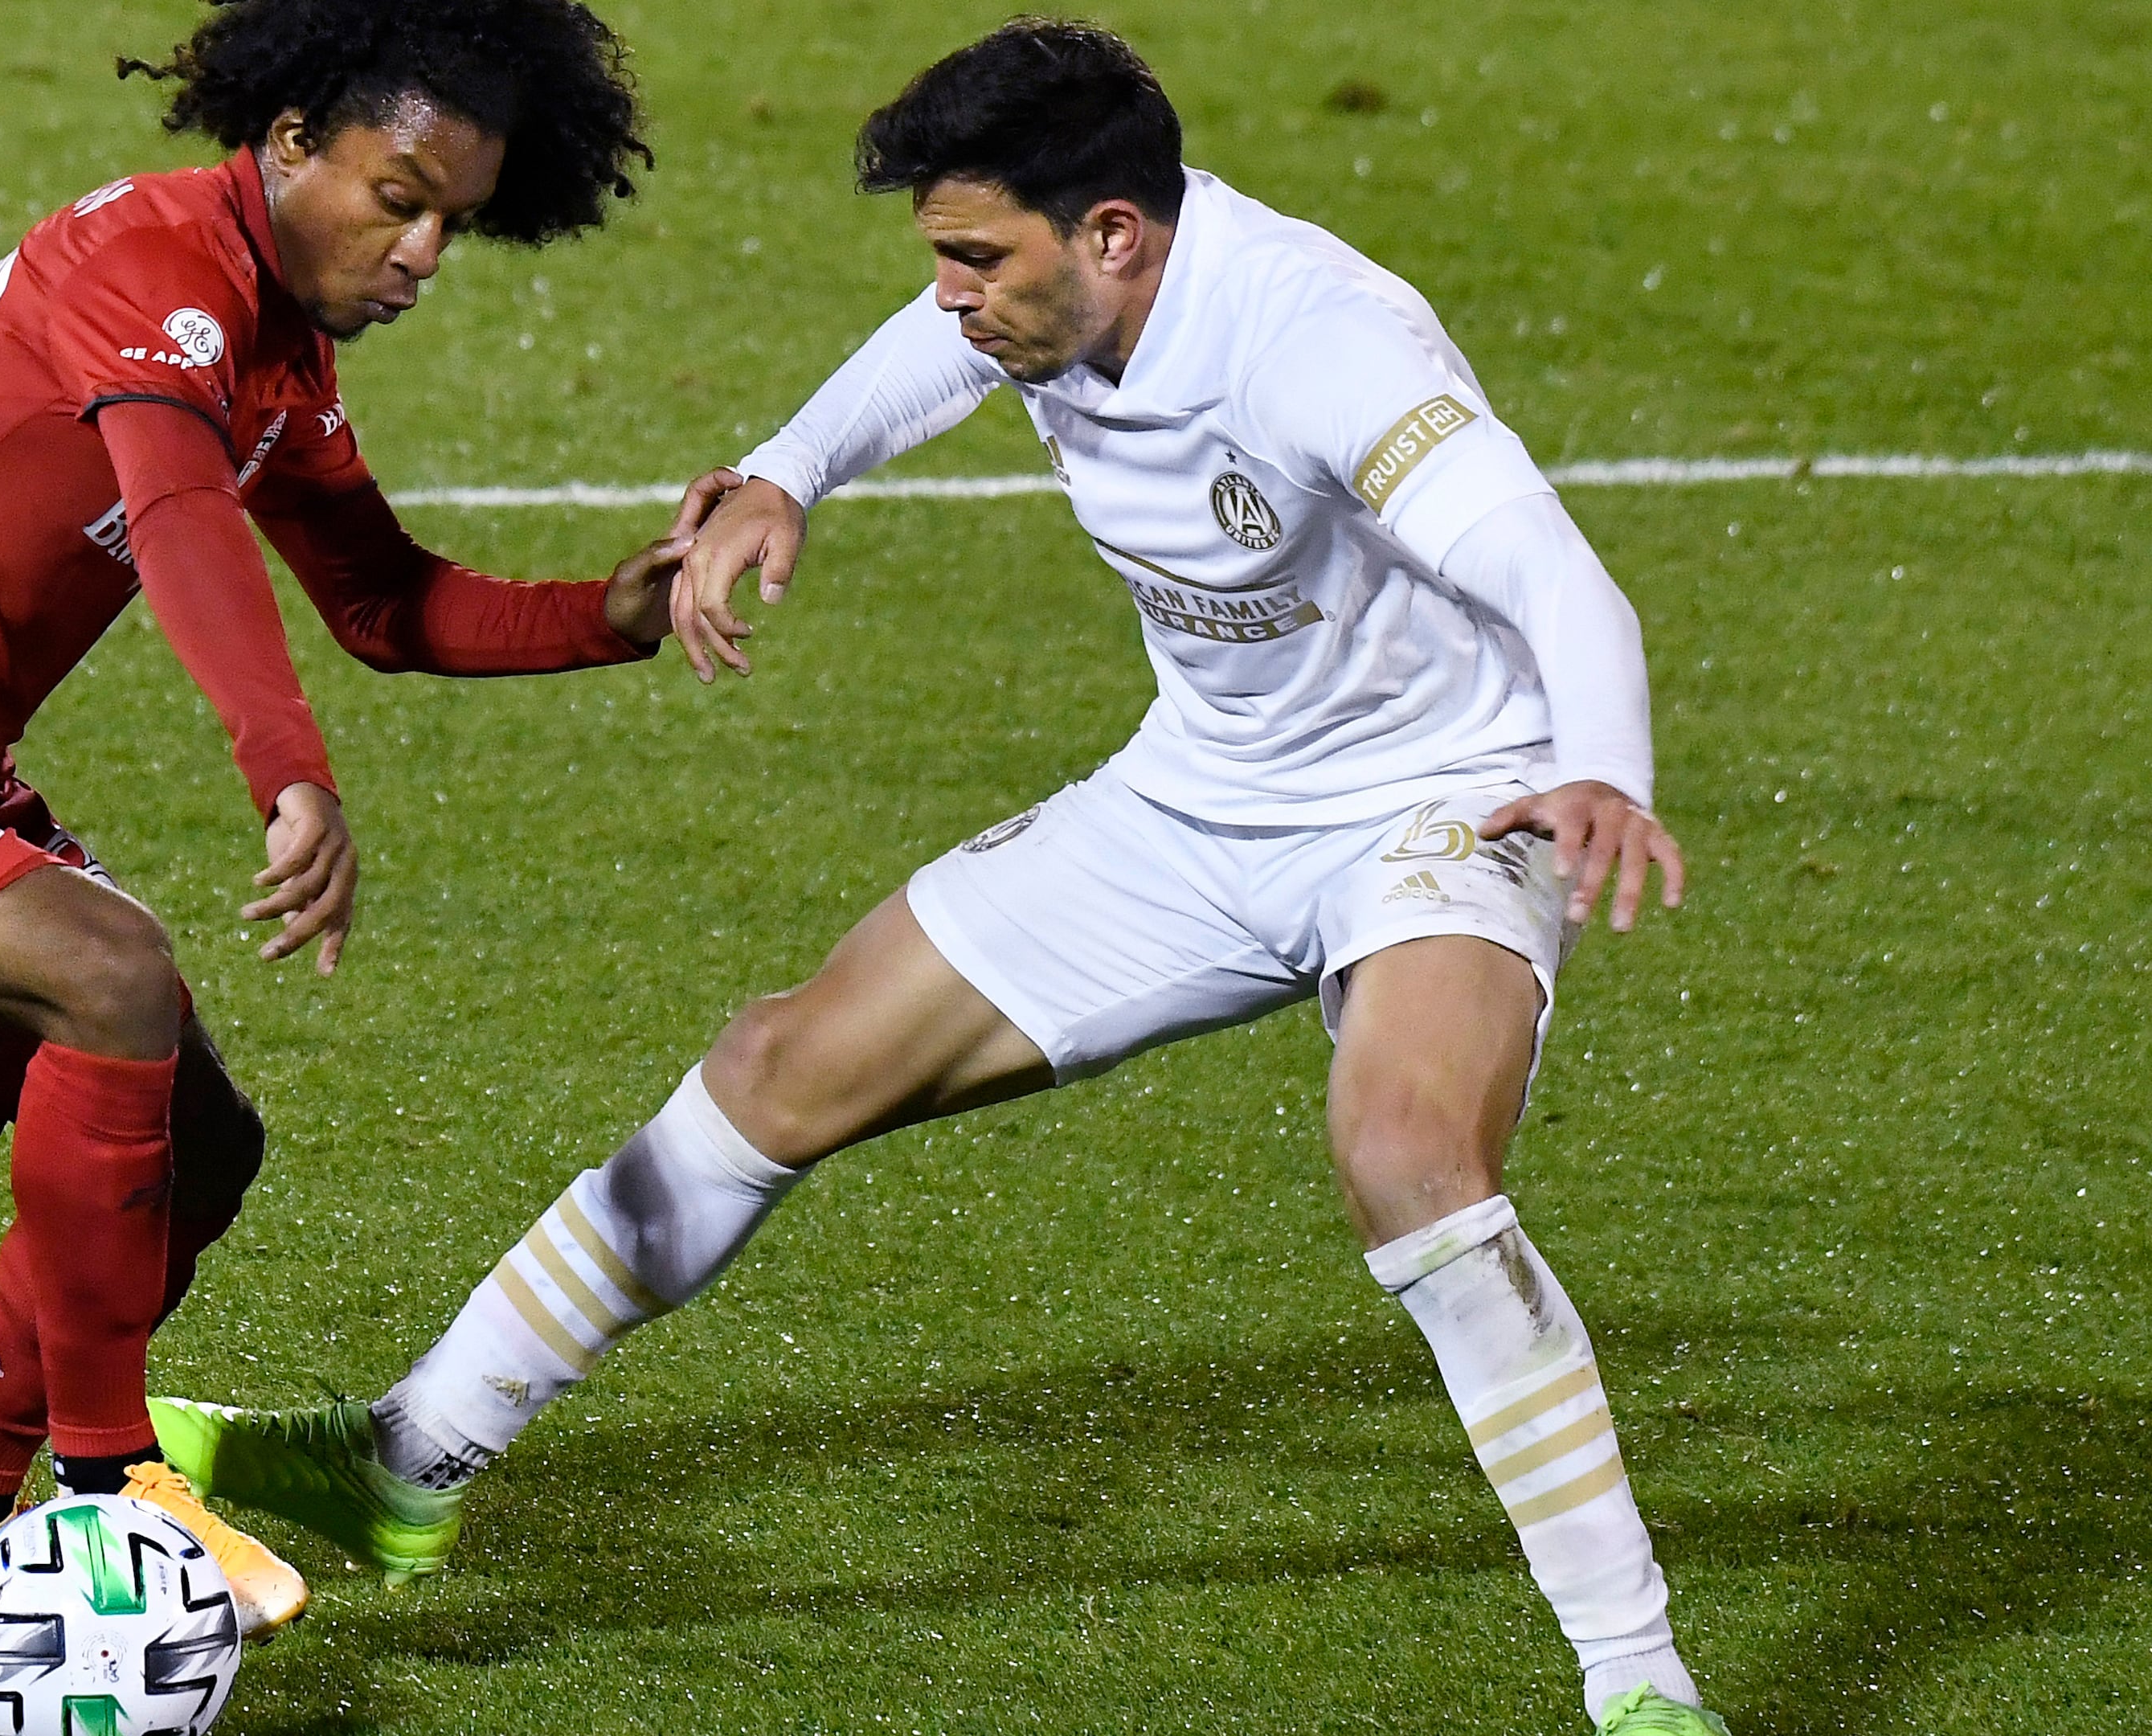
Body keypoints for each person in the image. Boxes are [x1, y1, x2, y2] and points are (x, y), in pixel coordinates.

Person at [149, 21, 1726, 1730]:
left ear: (1115, 235)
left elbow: (1564, 580)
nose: (955, 297)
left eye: (978, 258)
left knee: (1408, 1150)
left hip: (1448, 802)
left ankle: (1637, 1684)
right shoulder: (1051, 287)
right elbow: (930, 352)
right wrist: (783, 476)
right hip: (1199, 802)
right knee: (779, 1065)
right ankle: (412, 1456)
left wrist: (1601, 774)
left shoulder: (1319, 344)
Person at [0, 0, 668, 1639]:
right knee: (111, 972)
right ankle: (110, 1496)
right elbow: (179, 513)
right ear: (292, 142)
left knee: (200, 1146)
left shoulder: (277, 351)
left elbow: (387, 602)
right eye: (398, 198)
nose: (424, 251)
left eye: (453, 220)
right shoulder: (145, 262)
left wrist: (612, 615)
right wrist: (285, 768)